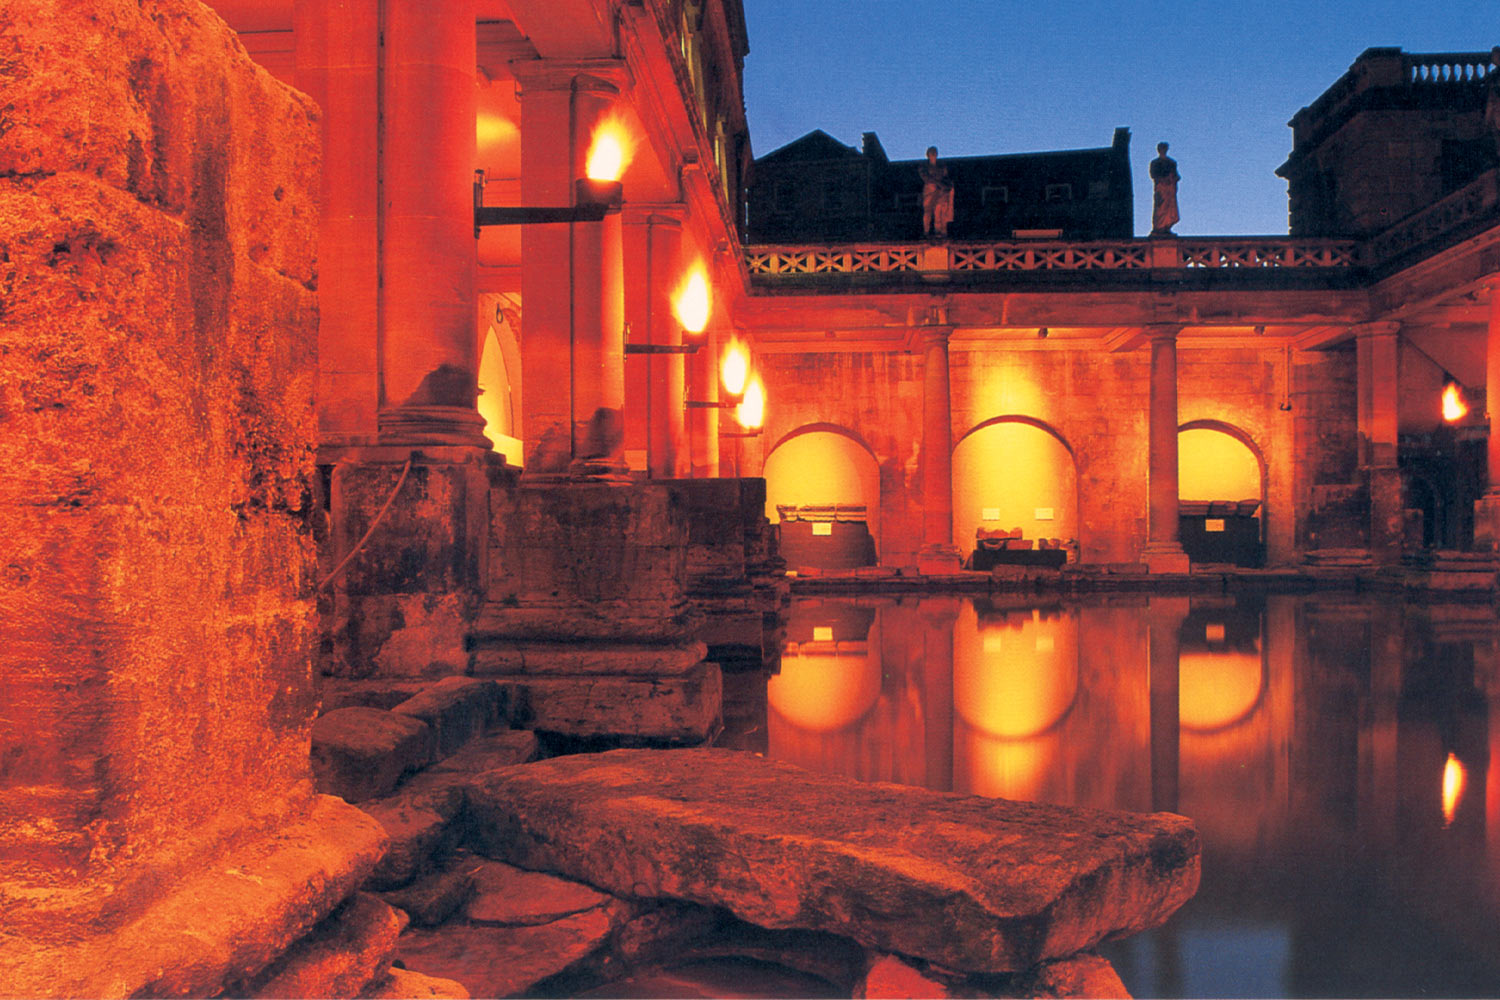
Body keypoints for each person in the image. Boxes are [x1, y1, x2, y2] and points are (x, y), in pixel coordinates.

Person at [919, 146, 955, 238]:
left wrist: (947, 185)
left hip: (939, 191)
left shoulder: (941, 167)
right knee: (928, 211)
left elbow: (946, 177)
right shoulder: (924, 167)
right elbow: (926, 178)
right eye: (931, 153)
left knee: (938, 210)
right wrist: (938, 183)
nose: (933, 155)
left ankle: (938, 230)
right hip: (930, 190)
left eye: (935, 153)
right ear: (928, 155)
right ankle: (926, 231)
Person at [1149, 141, 1180, 236]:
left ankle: (1167, 227)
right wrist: (1163, 179)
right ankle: (1159, 227)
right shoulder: (1155, 162)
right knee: (1160, 206)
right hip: (1161, 188)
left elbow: (1177, 176)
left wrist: (1172, 178)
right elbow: (1153, 175)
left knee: (1169, 208)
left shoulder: (1172, 162)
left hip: (1169, 188)